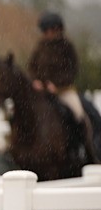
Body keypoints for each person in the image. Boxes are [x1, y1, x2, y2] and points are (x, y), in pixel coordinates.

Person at [28, 11, 96, 162]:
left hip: (64, 91)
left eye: (48, 30)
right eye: (44, 31)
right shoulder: (40, 47)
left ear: (56, 29)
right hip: (43, 92)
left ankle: (85, 147)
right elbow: (32, 67)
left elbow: (73, 69)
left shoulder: (67, 47)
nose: (46, 34)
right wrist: (36, 81)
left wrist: (57, 85)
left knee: (79, 114)